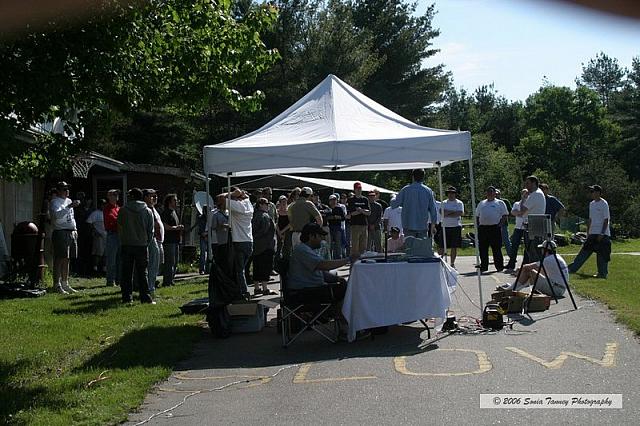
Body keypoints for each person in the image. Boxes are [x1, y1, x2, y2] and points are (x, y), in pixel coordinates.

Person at [288, 223, 357, 303]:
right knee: (346, 290)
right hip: (303, 292)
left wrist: (337, 279)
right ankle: (340, 313)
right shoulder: (302, 250)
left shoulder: (307, 250)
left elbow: (321, 272)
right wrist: (348, 259)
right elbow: (324, 265)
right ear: (311, 236)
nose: (321, 239)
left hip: (311, 288)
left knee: (343, 285)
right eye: (319, 236)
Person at [117, 188, 155, 304]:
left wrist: (123, 239)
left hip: (127, 244)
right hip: (142, 245)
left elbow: (120, 226)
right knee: (143, 273)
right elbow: (151, 230)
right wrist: (146, 242)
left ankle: (127, 297)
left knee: (126, 273)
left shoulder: (123, 210)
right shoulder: (147, 211)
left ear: (132, 196)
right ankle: (145, 297)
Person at [568, 185, 611, 279]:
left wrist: (602, 233)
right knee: (583, 252)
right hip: (592, 233)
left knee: (602, 255)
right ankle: (571, 269)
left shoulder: (604, 203)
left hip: (602, 234)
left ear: (598, 192)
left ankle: (602, 274)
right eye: (591, 191)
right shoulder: (591, 204)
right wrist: (588, 232)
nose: (591, 193)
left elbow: (606, 219)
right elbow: (590, 219)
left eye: (593, 191)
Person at [504, 240, 568, 297]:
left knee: (529, 271)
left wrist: (519, 269)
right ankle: (513, 289)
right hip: (559, 289)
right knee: (534, 273)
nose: (541, 251)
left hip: (556, 289)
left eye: (542, 249)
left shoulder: (548, 259)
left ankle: (511, 290)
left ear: (545, 250)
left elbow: (528, 267)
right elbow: (540, 271)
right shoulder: (556, 257)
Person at [49, 181, 80, 294]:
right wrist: (69, 206)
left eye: (67, 188)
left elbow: (71, 216)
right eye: (63, 189)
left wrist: (75, 229)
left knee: (67, 259)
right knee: (59, 258)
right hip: (60, 231)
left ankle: (65, 283)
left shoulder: (69, 200)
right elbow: (57, 216)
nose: (66, 191)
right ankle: (56, 284)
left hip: (71, 231)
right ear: (58, 190)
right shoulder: (54, 202)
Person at [390, 169, 437, 241]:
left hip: (408, 225)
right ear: (423, 177)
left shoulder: (405, 189)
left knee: (409, 249)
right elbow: (433, 210)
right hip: (422, 226)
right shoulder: (428, 191)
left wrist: (393, 197)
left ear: (413, 177)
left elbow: (394, 205)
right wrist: (433, 225)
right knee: (421, 248)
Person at [227, 187, 254, 296]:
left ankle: (243, 292)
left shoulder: (238, 206)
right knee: (242, 269)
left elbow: (220, 199)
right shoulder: (249, 205)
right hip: (249, 241)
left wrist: (231, 193)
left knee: (239, 270)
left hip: (239, 241)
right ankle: (241, 289)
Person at [475, 186, 508, 272]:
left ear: (495, 193)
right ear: (486, 193)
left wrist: (500, 225)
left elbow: (505, 215)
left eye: (491, 191)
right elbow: (477, 216)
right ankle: (484, 266)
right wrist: (478, 225)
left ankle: (499, 267)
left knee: (496, 248)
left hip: (495, 228)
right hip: (483, 228)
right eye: (488, 191)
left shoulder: (500, 203)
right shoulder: (481, 203)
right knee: (483, 248)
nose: (490, 193)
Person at [251, 198, 277, 296]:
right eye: (266, 204)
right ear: (260, 205)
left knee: (256, 266)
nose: (268, 206)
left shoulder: (253, 215)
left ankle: (257, 288)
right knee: (266, 267)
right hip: (266, 245)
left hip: (256, 246)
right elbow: (265, 230)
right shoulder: (265, 216)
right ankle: (265, 288)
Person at [519, 175, 546, 262]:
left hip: (533, 224)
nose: (526, 186)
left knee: (533, 250)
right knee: (530, 250)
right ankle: (529, 270)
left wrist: (523, 198)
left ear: (534, 183)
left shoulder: (536, 194)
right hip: (534, 223)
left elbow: (522, 210)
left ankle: (535, 271)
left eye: (528, 183)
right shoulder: (536, 194)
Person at [143, 189, 163, 294]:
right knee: (152, 264)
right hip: (151, 240)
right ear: (145, 197)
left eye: (155, 196)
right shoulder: (146, 209)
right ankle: (150, 288)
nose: (154, 198)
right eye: (152, 196)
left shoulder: (153, 208)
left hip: (158, 240)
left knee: (156, 264)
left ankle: (151, 285)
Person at [161, 193, 183, 287]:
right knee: (169, 262)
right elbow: (165, 226)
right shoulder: (165, 213)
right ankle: (167, 282)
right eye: (175, 200)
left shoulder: (174, 212)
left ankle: (171, 280)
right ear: (169, 202)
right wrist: (176, 228)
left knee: (175, 262)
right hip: (169, 241)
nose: (177, 202)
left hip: (176, 240)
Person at [505, 189, 529, 271]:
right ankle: (511, 264)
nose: (525, 195)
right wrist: (520, 212)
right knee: (514, 245)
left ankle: (526, 264)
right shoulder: (516, 203)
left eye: (526, 193)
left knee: (527, 245)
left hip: (526, 227)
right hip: (518, 227)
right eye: (523, 193)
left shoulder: (530, 203)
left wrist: (519, 212)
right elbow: (513, 212)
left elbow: (522, 212)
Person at [440, 186, 464, 268]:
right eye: (449, 193)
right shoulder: (443, 203)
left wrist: (448, 213)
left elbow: (460, 213)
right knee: (442, 246)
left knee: (454, 246)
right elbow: (442, 212)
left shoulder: (459, 203)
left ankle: (452, 263)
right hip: (445, 227)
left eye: (453, 193)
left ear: (455, 194)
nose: (451, 194)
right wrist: (453, 212)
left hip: (456, 226)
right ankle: (440, 262)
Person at [207, 194, 230, 275]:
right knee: (219, 259)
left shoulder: (229, 213)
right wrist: (222, 226)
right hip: (217, 241)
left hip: (228, 240)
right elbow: (212, 226)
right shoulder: (214, 213)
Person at [346, 182, 371, 257]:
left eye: (360, 188)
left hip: (364, 225)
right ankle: (353, 263)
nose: (359, 190)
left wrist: (360, 210)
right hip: (355, 225)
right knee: (354, 247)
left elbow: (369, 212)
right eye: (357, 188)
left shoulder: (365, 199)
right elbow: (351, 213)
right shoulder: (351, 200)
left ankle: (362, 263)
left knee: (363, 246)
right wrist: (362, 211)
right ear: (354, 189)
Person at [103, 189, 121, 287]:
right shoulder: (107, 208)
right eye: (113, 195)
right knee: (111, 259)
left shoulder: (118, 208)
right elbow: (111, 219)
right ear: (109, 196)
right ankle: (110, 280)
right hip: (112, 234)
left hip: (120, 234)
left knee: (119, 259)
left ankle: (118, 279)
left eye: (116, 195)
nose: (115, 196)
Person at [86, 199, 107, 275]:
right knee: (97, 253)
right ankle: (95, 268)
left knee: (105, 253)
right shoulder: (95, 213)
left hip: (107, 235)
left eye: (104, 204)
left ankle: (104, 268)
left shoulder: (107, 213)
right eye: (102, 204)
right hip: (98, 236)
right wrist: (94, 231)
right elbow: (89, 223)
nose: (103, 206)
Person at [327, 194, 346, 259]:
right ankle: (330, 258)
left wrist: (338, 217)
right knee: (330, 244)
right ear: (329, 201)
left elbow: (343, 218)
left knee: (338, 244)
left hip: (337, 228)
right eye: (332, 200)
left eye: (335, 200)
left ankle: (339, 257)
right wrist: (331, 217)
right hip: (330, 227)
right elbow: (325, 217)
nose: (334, 201)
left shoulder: (339, 208)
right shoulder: (327, 209)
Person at [495, 189, 512, 256]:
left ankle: (511, 256)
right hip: (494, 224)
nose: (496, 195)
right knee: (496, 241)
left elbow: (510, 212)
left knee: (506, 240)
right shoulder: (491, 202)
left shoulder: (504, 201)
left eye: (498, 194)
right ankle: (498, 256)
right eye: (495, 194)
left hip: (503, 224)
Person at [197, 206, 208, 275]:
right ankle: (202, 269)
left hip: (209, 236)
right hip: (203, 237)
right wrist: (203, 234)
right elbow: (200, 229)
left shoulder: (211, 217)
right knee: (203, 254)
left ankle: (208, 268)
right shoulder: (201, 218)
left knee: (210, 253)